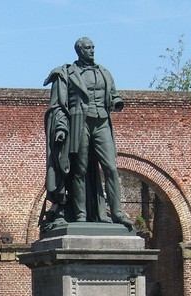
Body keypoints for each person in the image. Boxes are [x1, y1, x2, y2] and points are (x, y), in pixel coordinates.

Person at [42, 37, 133, 230]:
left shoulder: (104, 72)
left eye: (93, 47)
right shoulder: (67, 73)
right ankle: (81, 214)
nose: (91, 51)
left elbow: (113, 94)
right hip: (79, 123)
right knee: (79, 169)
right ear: (79, 51)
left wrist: (116, 101)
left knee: (111, 167)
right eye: (87, 48)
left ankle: (117, 212)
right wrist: (60, 127)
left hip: (101, 123)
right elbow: (60, 104)